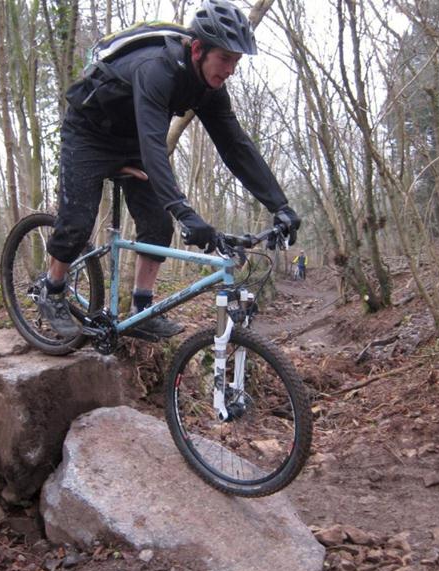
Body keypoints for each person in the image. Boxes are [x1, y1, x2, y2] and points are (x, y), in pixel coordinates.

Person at [40, 0, 301, 338]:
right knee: (77, 222)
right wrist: (184, 210)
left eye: (236, 61)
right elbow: (153, 145)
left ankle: (142, 309)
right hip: (89, 134)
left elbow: (236, 146)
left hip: (132, 139)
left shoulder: (210, 88)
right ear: (197, 49)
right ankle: (53, 289)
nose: (231, 69)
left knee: (158, 224)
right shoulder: (156, 68)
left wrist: (279, 204)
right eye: (225, 58)